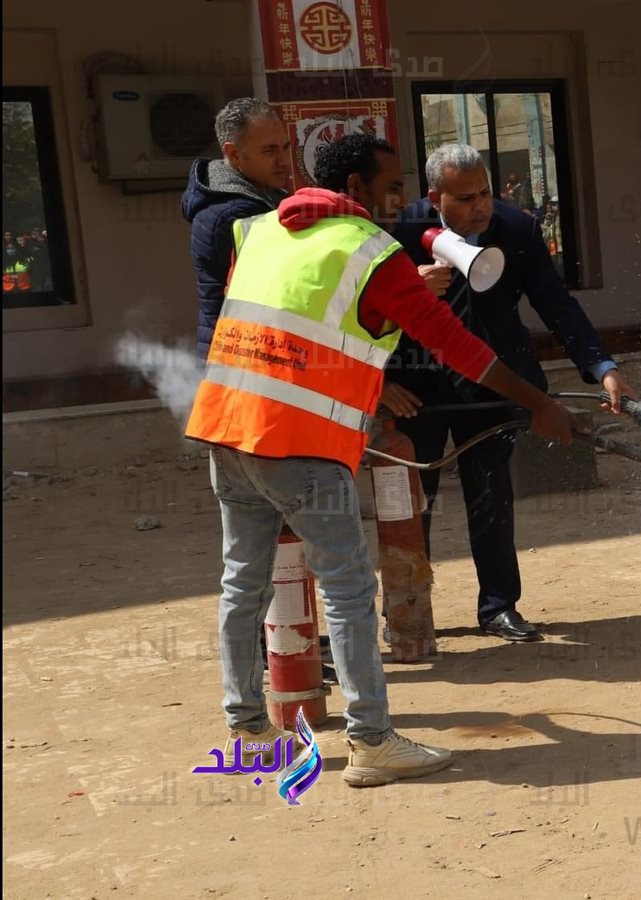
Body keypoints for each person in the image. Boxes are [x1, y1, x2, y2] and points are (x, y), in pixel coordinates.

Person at [185, 133, 582, 786]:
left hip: (227, 429)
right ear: (357, 189)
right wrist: (538, 403)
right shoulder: (370, 250)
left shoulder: (259, 231)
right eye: (391, 185)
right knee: (346, 593)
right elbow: (456, 345)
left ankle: (250, 731)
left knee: (242, 585)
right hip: (299, 443)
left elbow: (285, 319)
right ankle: (371, 742)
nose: (401, 199)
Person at [384, 143, 634, 643]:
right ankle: (408, 615)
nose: (481, 207)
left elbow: (555, 304)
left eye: (486, 193)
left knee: (492, 497)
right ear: (435, 197)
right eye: (465, 198)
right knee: (412, 504)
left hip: (496, 384)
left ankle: (498, 608)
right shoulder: (400, 231)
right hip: (415, 391)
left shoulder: (516, 229)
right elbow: (356, 310)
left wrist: (601, 366)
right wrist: (382, 377)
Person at [182, 97, 292, 357]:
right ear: (233, 153)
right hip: (238, 362)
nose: (283, 160)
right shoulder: (229, 216)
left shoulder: (269, 196)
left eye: (285, 147)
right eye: (269, 151)